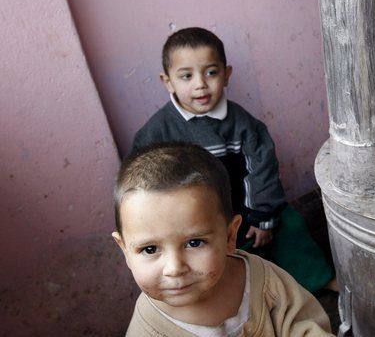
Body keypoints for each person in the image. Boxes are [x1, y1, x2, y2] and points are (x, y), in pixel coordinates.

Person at [131, 27, 337, 294]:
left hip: (246, 209)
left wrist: (262, 216)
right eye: (186, 76)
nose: (200, 84)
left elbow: (261, 168)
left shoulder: (242, 124)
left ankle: (318, 281)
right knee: (211, 261)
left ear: (226, 75)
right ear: (168, 81)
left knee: (291, 226)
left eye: (211, 72)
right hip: (193, 219)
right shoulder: (157, 133)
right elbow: (144, 185)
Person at [112, 143, 333, 336]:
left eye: (194, 243)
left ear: (230, 236)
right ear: (125, 251)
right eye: (150, 249)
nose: (174, 268)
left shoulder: (263, 281)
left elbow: (303, 324)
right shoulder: (148, 330)